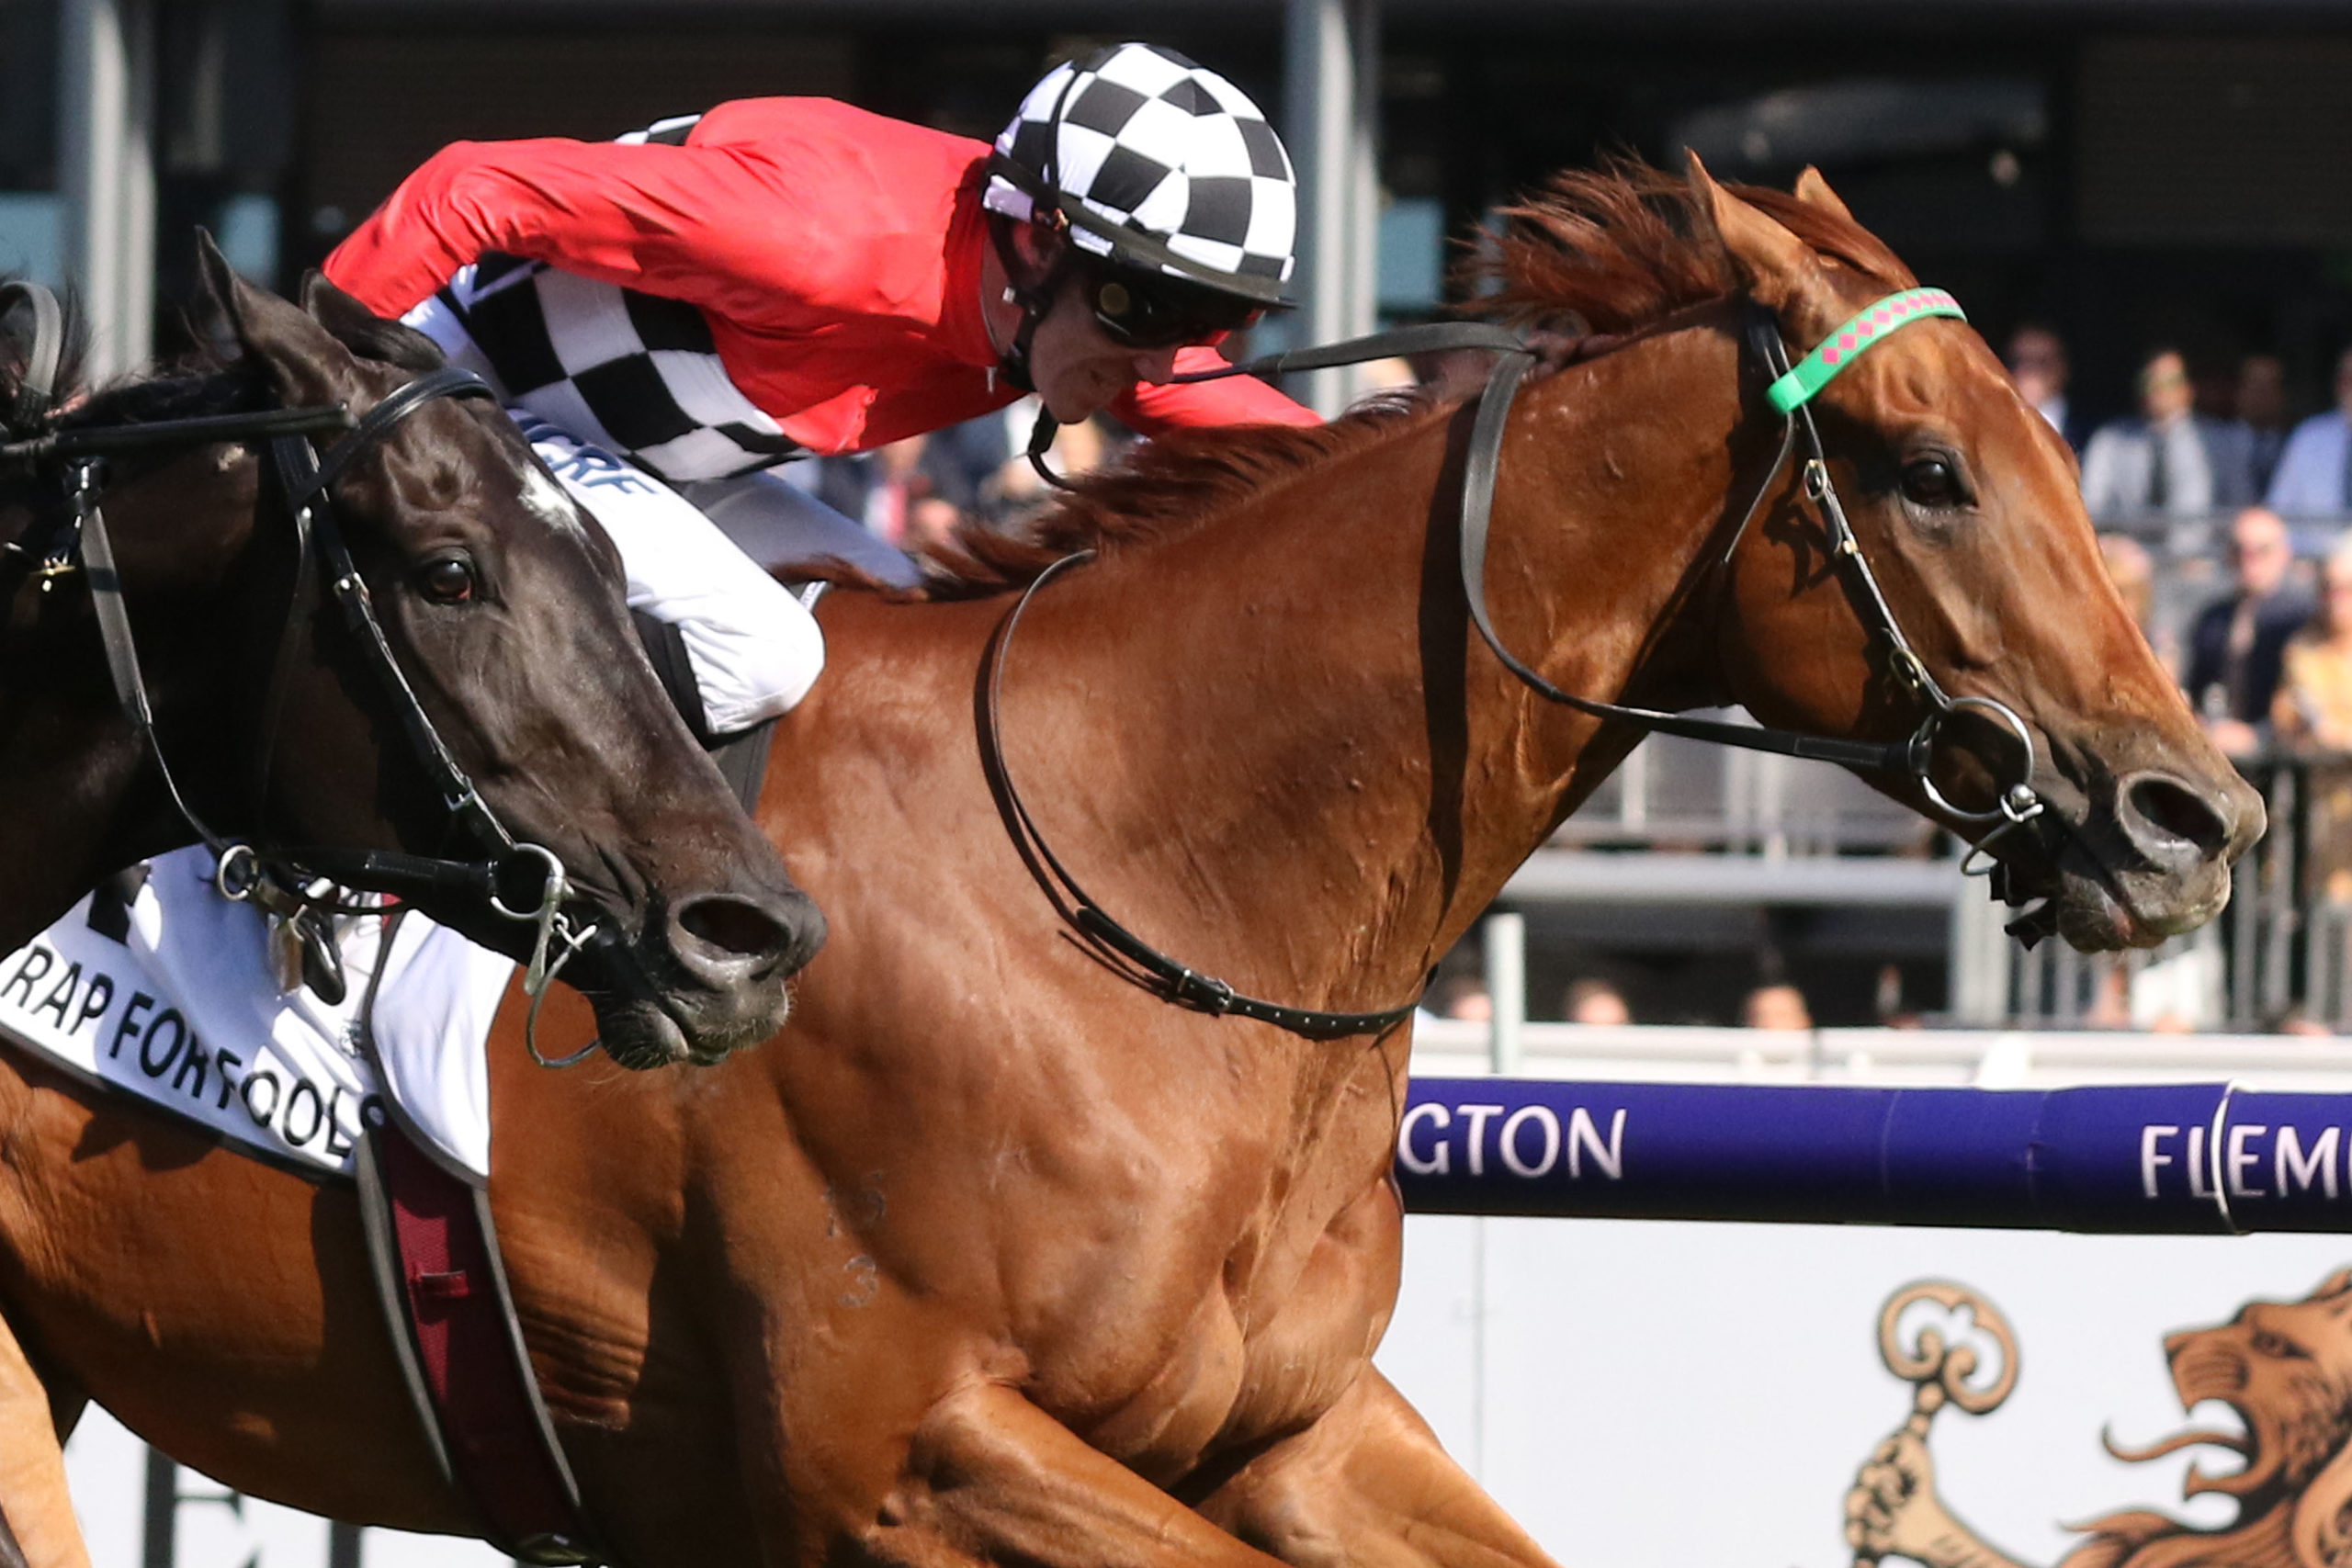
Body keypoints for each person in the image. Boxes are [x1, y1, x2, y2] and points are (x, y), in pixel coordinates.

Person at [323, 42, 1315, 742]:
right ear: (1039, 238)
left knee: (918, 635)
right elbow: (471, 189)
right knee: (762, 654)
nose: (1164, 365)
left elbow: (1311, 456)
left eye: (1202, 322)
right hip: (473, 391)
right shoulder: (819, 237)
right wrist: (305, 392)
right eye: (1147, 310)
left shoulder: (1053, 312)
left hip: (655, 455)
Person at [2183, 506, 2312, 757]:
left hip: (2283, 758)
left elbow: (2305, 702)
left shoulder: (2300, 620)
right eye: (2239, 550)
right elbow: (2196, 688)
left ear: (2284, 554)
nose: (2249, 560)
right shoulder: (2212, 619)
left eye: (2262, 550)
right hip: (2218, 751)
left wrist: (2257, 735)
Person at [2078, 347, 2254, 522]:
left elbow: (2241, 508)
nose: (2158, 389)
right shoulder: (2110, 440)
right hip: (2126, 538)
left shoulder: (2220, 442)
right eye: (2149, 381)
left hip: (2204, 540)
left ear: (2188, 388)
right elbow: (2090, 504)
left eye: (2169, 382)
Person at [2273, 536, 2352, 751]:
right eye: (2328, 589)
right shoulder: (2302, 649)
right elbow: (2284, 713)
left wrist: (2340, 735)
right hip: (2318, 768)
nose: (2336, 600)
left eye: (2347, 589)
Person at [2267, 345, 2352, 518]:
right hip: (2314, 537)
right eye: (2345, 379)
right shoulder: (2309, 436)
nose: (2348, 386)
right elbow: (2279, 507)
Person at [2004, 324, 2087, 451]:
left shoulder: (2096, 435)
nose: (2030, 370)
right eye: (2019, 361)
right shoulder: (1991, 425)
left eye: (2042, 361)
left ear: (2064, 368)